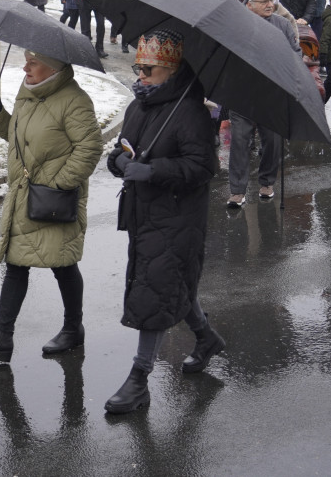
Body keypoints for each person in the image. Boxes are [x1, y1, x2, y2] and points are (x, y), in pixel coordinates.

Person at [103, 30, 224, 414]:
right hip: (142, 213)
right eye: (139, 67)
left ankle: (139, 380)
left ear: (171, 71)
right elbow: (120, 149)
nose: (141, 75)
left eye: (149, 69)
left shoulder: (190, 112)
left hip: (177, 217)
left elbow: (204, 167)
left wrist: (152, 170)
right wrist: (118, 162)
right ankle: (205, 338)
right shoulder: (139, 105)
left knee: (154, 290)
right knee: (168, 283)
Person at [0, 50, 103, 362]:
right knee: (17, 263)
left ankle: (72, 328)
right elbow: (20, 140)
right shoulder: (26, 94)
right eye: (25, 59)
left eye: (34, 61)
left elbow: (91, 146)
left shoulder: (74, 100)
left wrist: (60, 183)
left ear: (53, 66)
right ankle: (2, 335)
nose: (25, 66)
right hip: (25, 196)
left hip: (55, 197)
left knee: (63, 263)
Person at [227, 0, 301, 208]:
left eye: (272, 0)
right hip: (242, 94)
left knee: (273, 141)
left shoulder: (282, 25)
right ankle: (237, 191)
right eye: (264, 2)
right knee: (239, 142)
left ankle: (267, 182)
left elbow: (295, 54)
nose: (270, 5)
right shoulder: (235, 25)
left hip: (272, 94)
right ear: (249, 5)